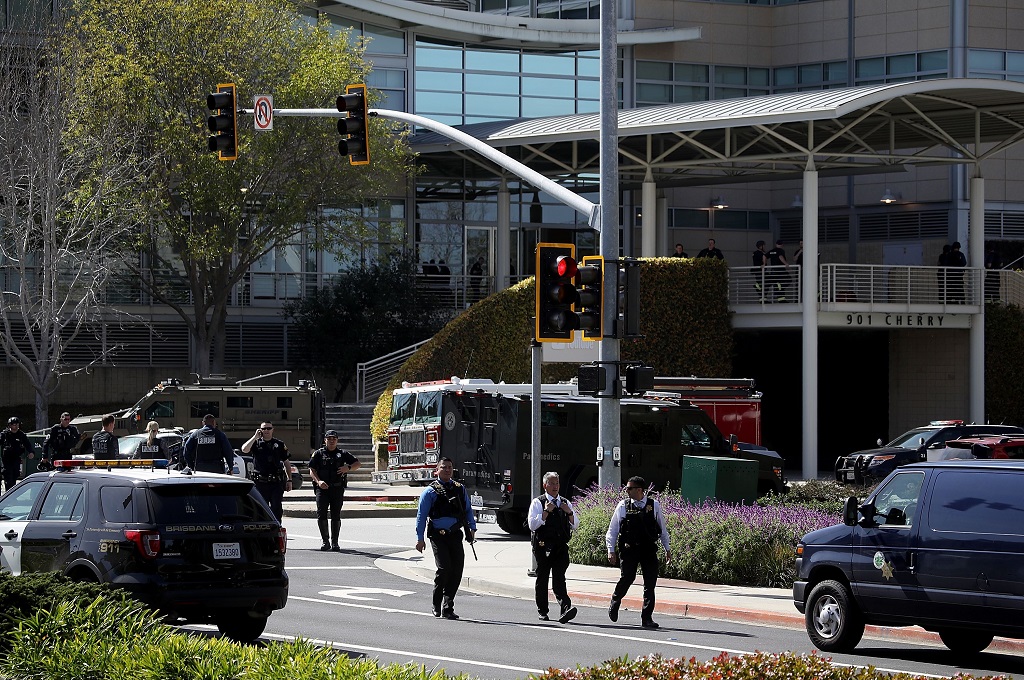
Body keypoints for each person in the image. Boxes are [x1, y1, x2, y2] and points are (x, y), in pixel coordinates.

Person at [415, 457, 477, 620]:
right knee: (444, 569)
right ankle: (436, 603)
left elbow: (468, 510)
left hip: (455, 534)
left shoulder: (459, 488)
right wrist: (419, 538)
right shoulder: (430, 491)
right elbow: (421, 517)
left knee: (456, 570)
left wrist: (472, 528)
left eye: (450, 467)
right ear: (437, 470)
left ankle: (448, 606)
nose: (447, 470)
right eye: (444, 467)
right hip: (438, 535)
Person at [606, 476, 671, 630]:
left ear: (640, 490)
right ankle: (615, 601)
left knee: (650, 583)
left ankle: (647, 618)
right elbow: (613, 529)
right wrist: (611, 550)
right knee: (628, 577)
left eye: (630, 488)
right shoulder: (623, 505)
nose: (626, 491)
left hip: (648, 549)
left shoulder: (653, 505)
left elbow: (662, 529)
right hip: (629, 549)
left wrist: (667, 549)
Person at [527, 471, 579, 623]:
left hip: (560, 546)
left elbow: (575, 524)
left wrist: (568, 511)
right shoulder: (538, 502)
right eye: (552, 483)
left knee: (559, 578)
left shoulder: (565, 502)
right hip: (543, 546)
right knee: (542, 578)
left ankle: (565, 608)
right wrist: (546, 511)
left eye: (557, 483)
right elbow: (532, 525)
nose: (555, 486)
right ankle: (542, 610)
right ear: (545, 485)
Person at [308, 430, 360, 551]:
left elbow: (358, 463)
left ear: (337, 440)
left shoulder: (342, 454)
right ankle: (325, 541)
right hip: (322, 488)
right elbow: (312, 470)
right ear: (325, 440)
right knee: (321, 514)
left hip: (337, 488)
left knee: (336, 514)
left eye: (334, 439)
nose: (331, 441)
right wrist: (318, 481)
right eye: (329, 438)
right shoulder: (318, 454)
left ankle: (335, 542)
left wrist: (348, 467)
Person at [242, 421, 292, 521]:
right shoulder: (256, 443)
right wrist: (255, 437)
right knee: (260, 508)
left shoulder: (279, 444)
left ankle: (277, 529)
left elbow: (286, 462)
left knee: (276, 508)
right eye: (264, 429)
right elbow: (244, 449)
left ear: (273, 429)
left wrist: (289, 480)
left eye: (268, 428)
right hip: (260, 482)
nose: (266, 431)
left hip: (276, 483)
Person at [0, 417, 31, 492]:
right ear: (9, 425)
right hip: (6, 460)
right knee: (8, 477)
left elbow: (28, 444)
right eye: (13, 425)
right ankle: (8, 494)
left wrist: (31, 452)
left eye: (17, 424)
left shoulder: (21, 435)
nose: (15, 426)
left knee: (15, 476)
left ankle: (12, 493)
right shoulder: (4, 434)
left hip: (16, 459)